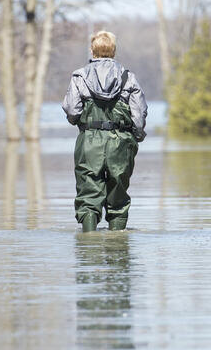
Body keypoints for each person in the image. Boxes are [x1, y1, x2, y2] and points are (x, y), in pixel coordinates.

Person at [61, 31, 147, 232]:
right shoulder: (129, 78)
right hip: (121, 140)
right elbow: (139, 114)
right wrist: (137, 135)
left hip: (90, 140)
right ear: (114, 51)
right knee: (118, 193)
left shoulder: (79, 76)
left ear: (92, 50)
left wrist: (80, 122)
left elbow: (72, 110)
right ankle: (118, 247)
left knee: (88, 192)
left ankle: (89, 246)